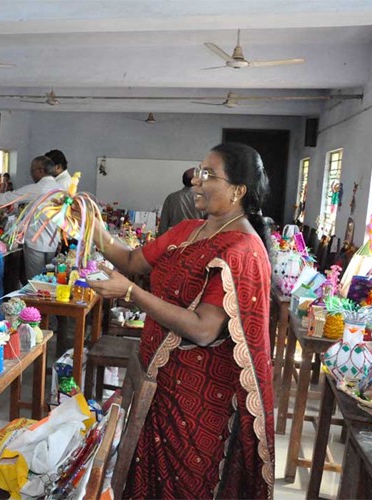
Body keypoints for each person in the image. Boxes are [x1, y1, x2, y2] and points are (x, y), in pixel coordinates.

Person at [82, 143, 274, 498]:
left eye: (208, 175)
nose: (197, 182)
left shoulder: (241, 250)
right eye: (198, 172)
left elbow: (204, 329)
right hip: (157, 381)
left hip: (199, 401)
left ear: (238, 190)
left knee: (184, 488)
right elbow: (132, 261)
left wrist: (131, 294)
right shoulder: (188, 230)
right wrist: (90, 224)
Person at [0, 156, 62, 281]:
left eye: (32, 170)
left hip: (37, 243)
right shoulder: (61, 188)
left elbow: (11, 196)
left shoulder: (39, 188)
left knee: (35, 281)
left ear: (41, 171)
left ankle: (33, 300)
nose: (31, 174)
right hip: (53, 241)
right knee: (49, 280)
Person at [157, 167, 203, 235]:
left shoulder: (171, 198)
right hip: (196, 239)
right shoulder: (205, 199)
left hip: (174, 241)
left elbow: (163, 226)